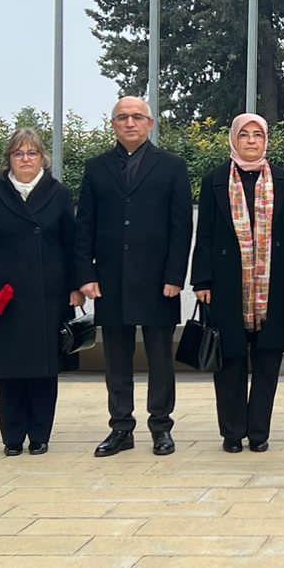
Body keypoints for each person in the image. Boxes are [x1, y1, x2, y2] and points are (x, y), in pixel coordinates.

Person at [78, 95, 192, 457]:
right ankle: (121, 427)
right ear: (113, 124)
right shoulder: (96, 168)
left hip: (159, 281)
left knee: (160, 358)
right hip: (110, 280)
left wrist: (175, 276)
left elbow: (181, 227)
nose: (130, 123)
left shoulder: (172, 167)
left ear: (150, 124)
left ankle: (161, 426)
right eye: (122, 117)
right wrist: (86, 274)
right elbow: (85, 226)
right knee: (116, 358)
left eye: (137, 117)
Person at [0, 128, 83, 456]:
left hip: (49, 294)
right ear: (9, 159)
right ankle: (12, 436)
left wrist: (76, 286)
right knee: (10, 369)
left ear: (42, 158)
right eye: (18, 153)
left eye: (32, 153)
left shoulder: (59, 193)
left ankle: (40, 434)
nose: (25, 159)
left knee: (44, 369)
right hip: (6, 296)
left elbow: (72, 244)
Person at [192, 114, 284, 453]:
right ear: (233, 139)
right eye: (245, 135)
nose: (251, 141)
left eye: (258, 135)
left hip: (272, 287)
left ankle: (259, 432)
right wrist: (202, 279)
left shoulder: (283, 180)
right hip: (226, 286)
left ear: (266, 140)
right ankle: (233, 432)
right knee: (230, 360)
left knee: (267, 362)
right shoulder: (215, 180)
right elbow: (205, 234)